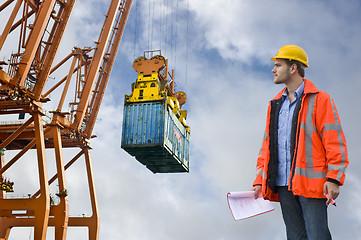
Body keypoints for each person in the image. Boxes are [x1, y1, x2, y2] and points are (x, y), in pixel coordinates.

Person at [252, 45, 349, 240]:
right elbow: (267, 147)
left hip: (312, 185)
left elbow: (334, 141)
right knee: (295, 237)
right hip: (282, 183)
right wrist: (258, 181)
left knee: (317, 236)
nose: (273, 69)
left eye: (278, 65)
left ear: (293, 68)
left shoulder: (320, 100)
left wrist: (334, 178)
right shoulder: (275, 104)